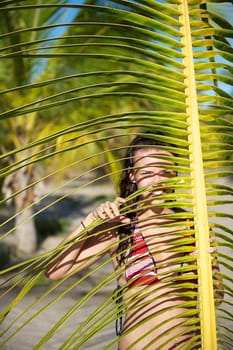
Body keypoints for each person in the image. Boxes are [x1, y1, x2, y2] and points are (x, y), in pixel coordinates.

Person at [46, 132, 222, 350]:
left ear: (175, 173)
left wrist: (208, 268)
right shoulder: (121, 228)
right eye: (147, 173)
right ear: (133, 175)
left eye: (165, 172)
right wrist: (90, 221)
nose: (158, 181)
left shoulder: (194, 227)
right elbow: (55, 271)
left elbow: (215, 299)